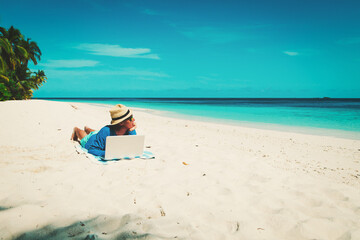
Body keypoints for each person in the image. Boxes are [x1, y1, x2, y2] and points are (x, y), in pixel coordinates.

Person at [71, 104, 137, 157]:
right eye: (131, 118)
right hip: (90, 140)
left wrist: (131, 129)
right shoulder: (106, 131)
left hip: (99, 135)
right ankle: (76, 129)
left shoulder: (129, 130)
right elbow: (92, 150)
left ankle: (87, 128)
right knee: (85, 136)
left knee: (95, 133)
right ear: (121, 123)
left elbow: (132, 143)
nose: (133, 119)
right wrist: (108, 153)